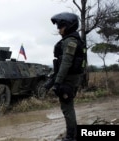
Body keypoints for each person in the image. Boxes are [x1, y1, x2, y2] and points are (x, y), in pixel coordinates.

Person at [50, 12, 85, 141]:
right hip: (70, 78)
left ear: (69, 26)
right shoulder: (73, 39)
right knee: (68, 106)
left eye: (61, 27)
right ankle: (72, 134)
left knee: (67, 108)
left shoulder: (71, 41)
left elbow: (66, 63)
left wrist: (57, 82)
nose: (59, 30)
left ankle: (71, 136)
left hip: (68, 79)